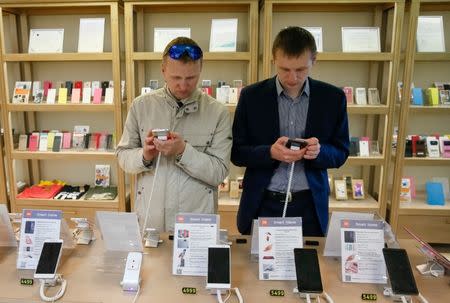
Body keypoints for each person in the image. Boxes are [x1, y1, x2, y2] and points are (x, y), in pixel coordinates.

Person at [231, 26, 349, 236]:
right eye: (285, 69)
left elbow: (341, 152)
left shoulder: (333, 98)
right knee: (255, 267)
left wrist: (319, 152)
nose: (292, 77)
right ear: (273, 59)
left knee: (308, 267)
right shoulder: (251, 96)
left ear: (314, 60)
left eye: (301, 69)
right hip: (262, 203)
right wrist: (270, 153)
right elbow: (237, 152)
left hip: (310, 206)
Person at [116, 37, 232, 232]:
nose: (183, 85)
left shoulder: (218, 112)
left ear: (200, 71)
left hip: (197, 225)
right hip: (150, 223)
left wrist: (183, 151)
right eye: (176, 78)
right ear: (163, 71)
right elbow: (122, 156)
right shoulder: (141, 106)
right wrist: (144, 156)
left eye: (191, 78)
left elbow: (219, 172)